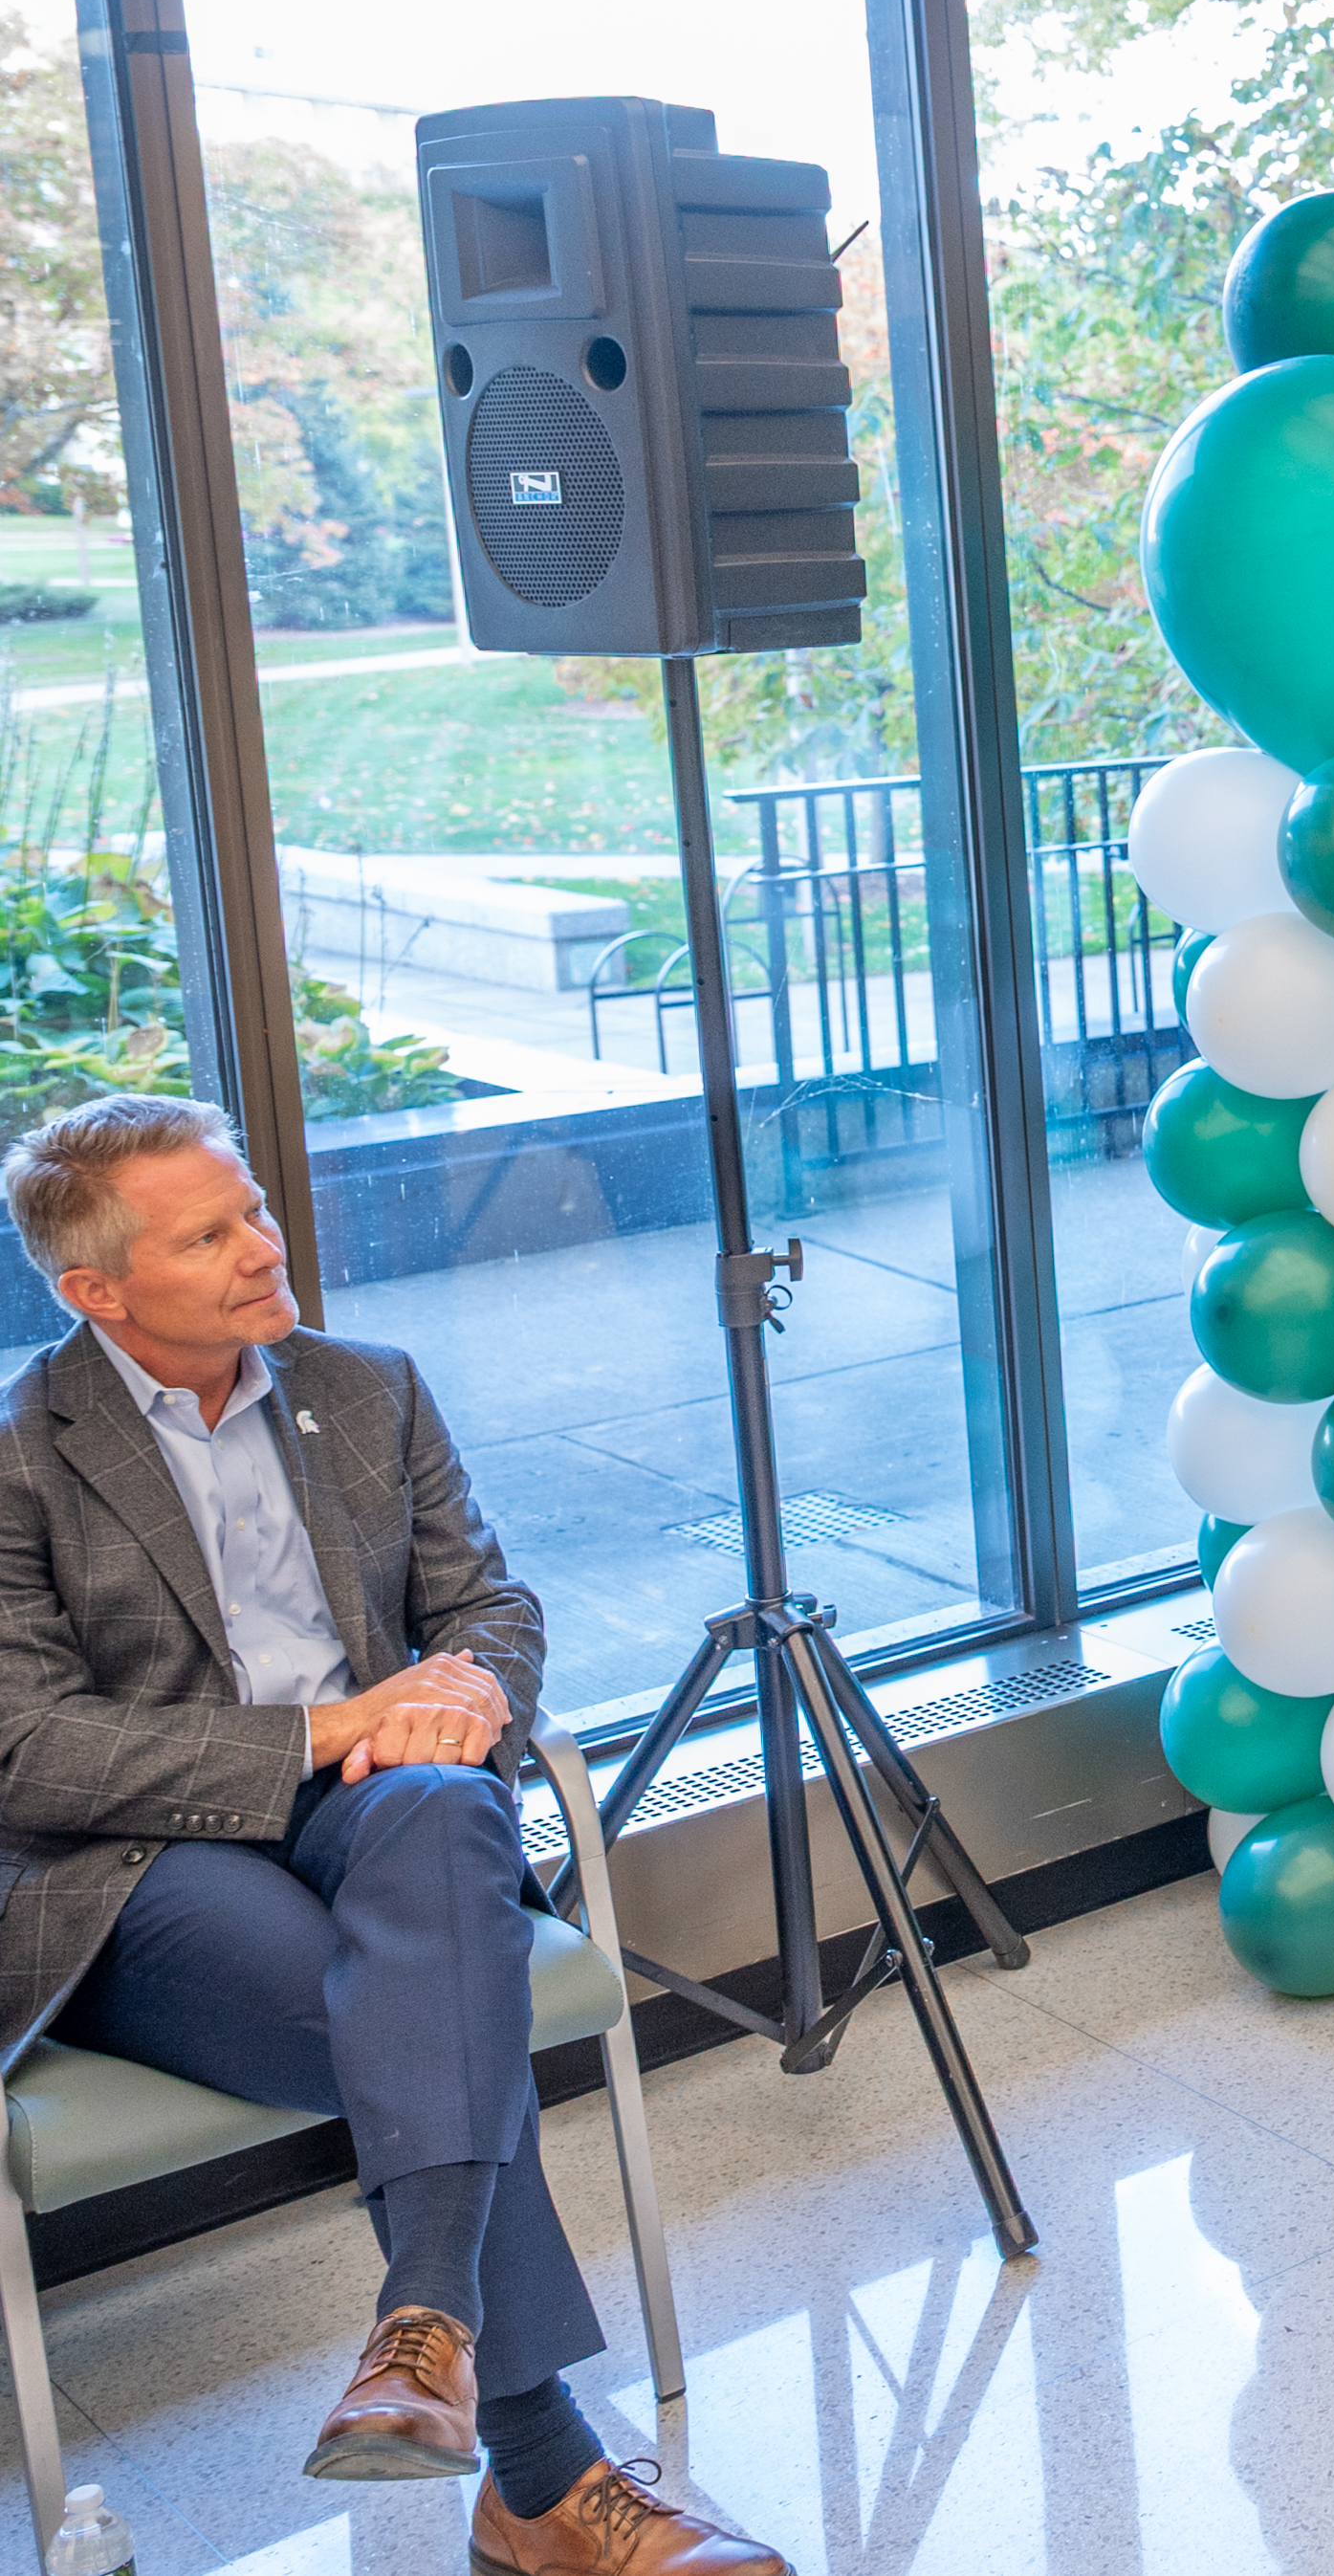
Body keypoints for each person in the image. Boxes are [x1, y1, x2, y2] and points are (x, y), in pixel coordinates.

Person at [0, 1096, 777, 2576]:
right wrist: (328, 1728)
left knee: (434, 1813)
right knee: (437, 2007)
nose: (260, 1248)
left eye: (256, 1209)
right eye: (209, 1232)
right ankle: (545, 2471)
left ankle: (425, 2332)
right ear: (94, 1288)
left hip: (382, 1820)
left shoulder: (366, 1390)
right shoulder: (19, 1455)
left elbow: (490, 1605)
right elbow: (29, 1748)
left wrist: (470, 1683)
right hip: (144, 1864)